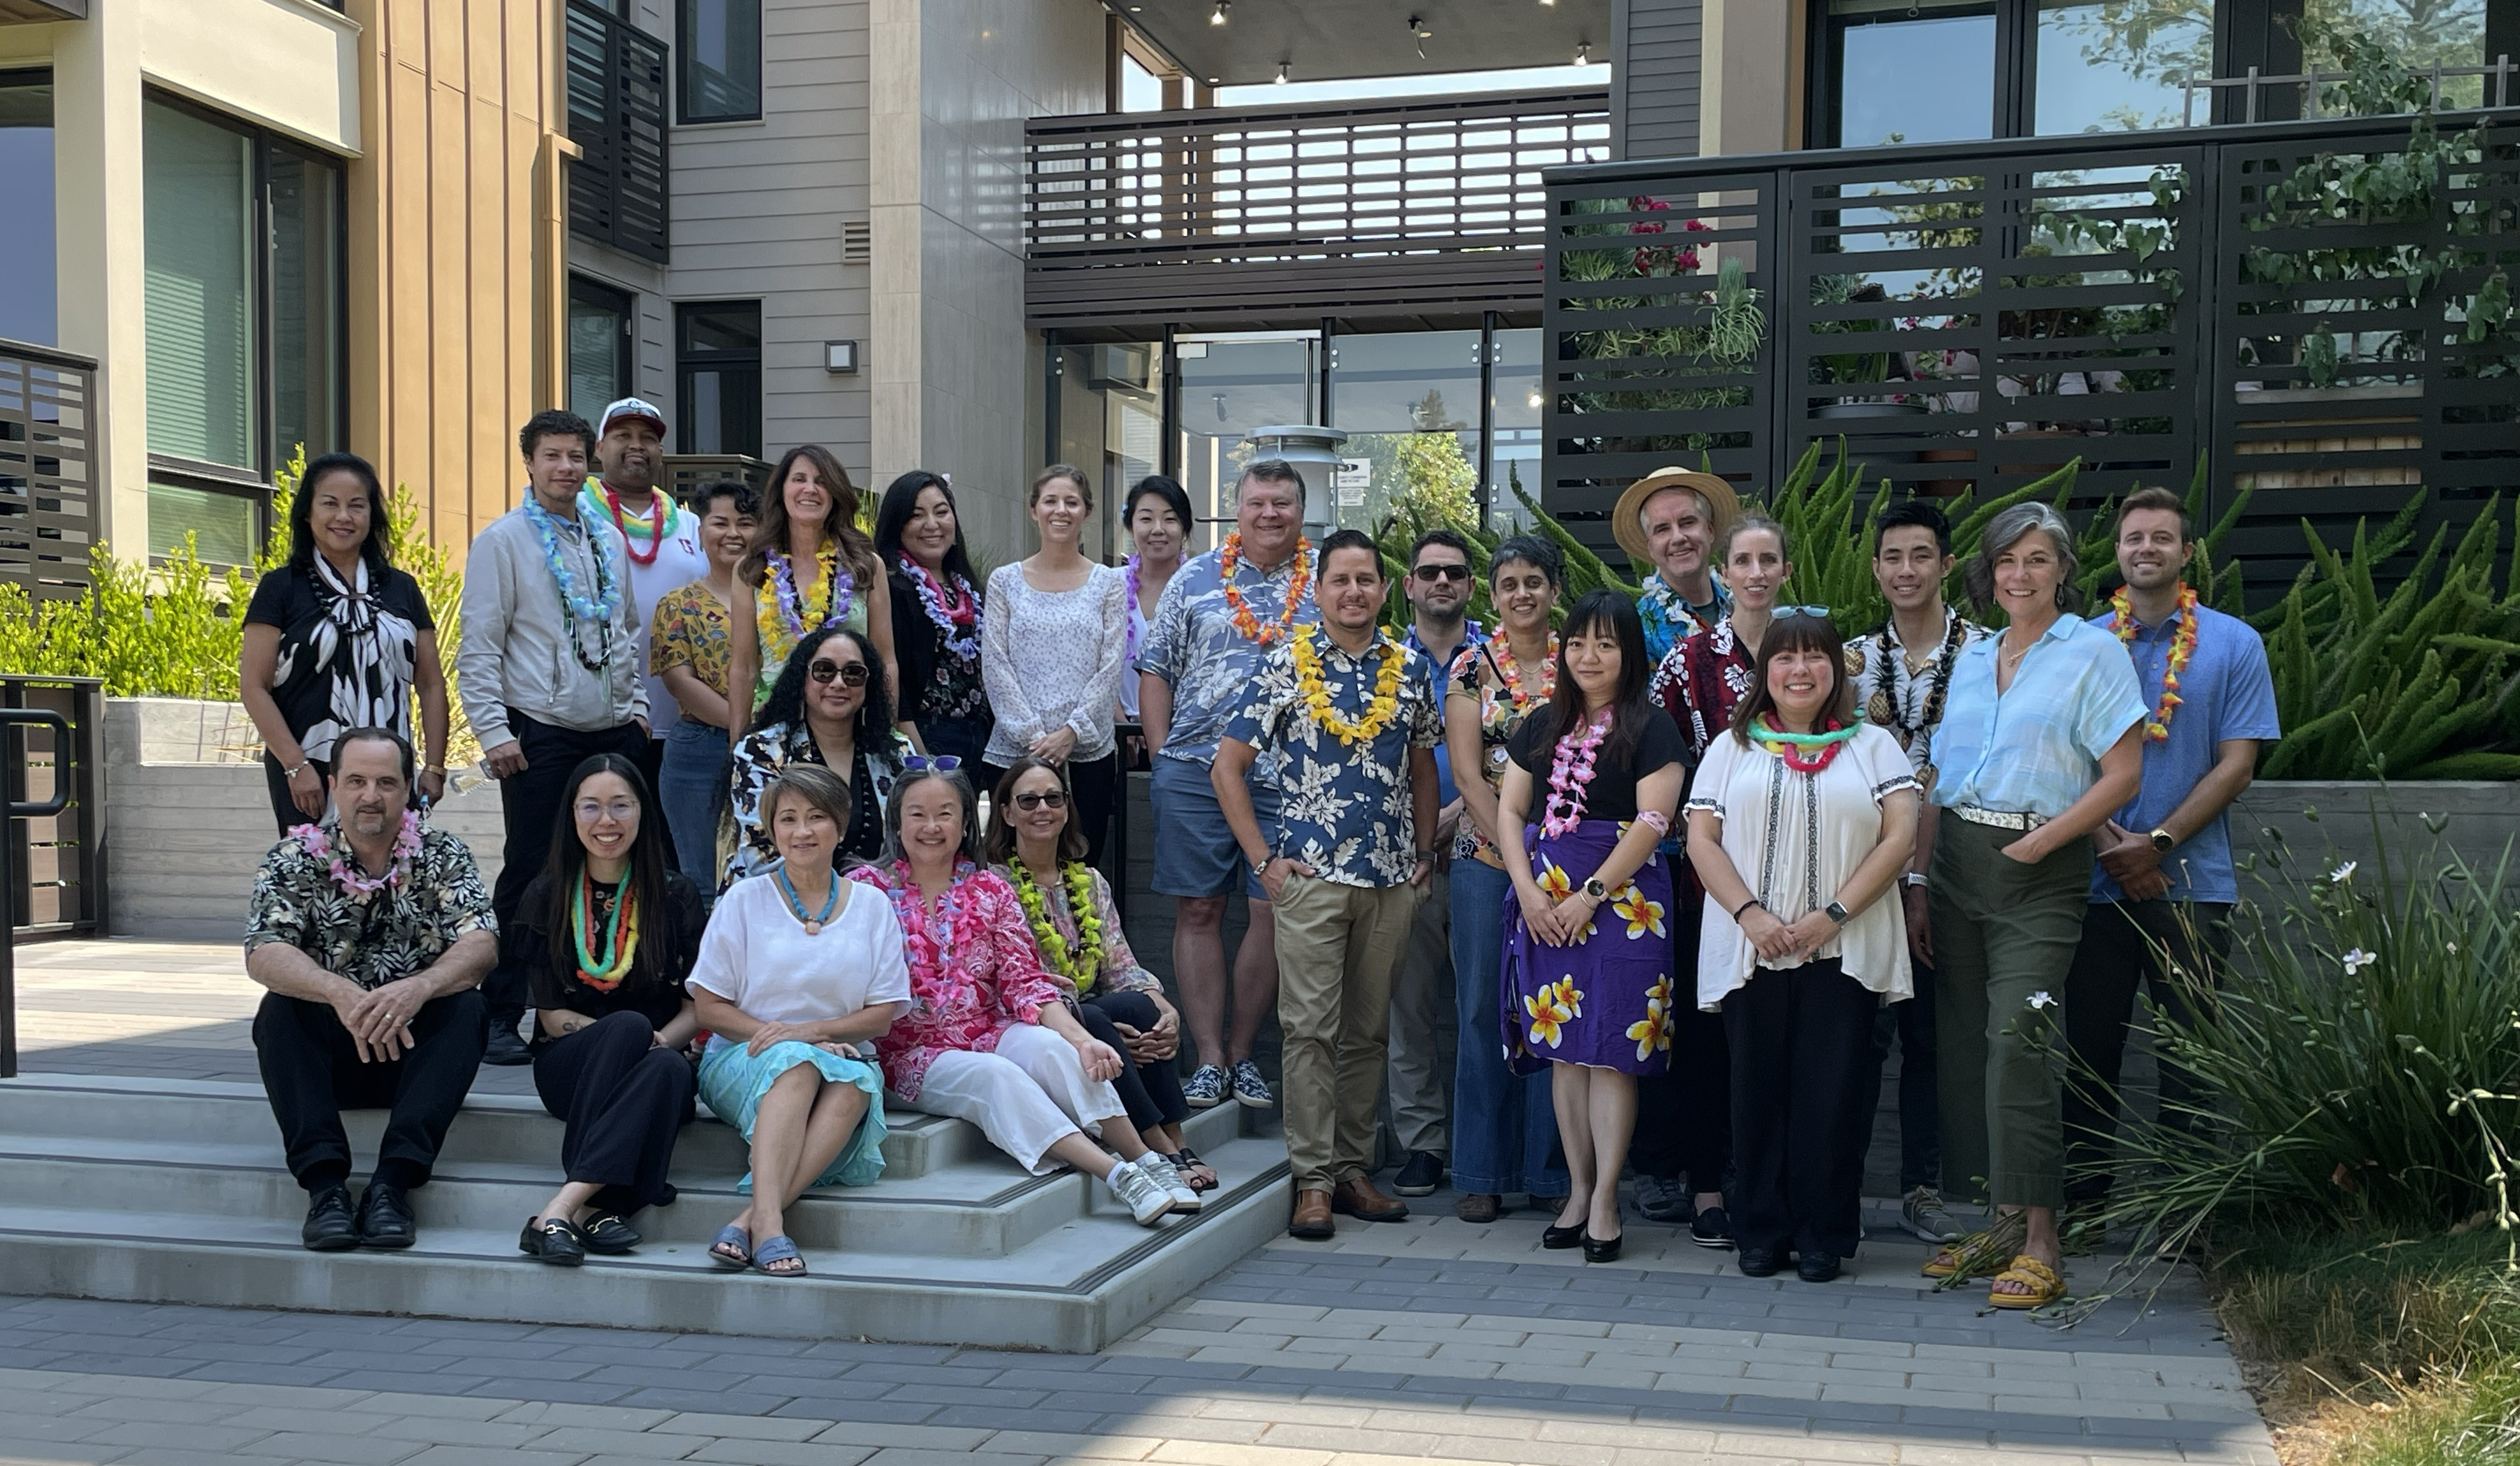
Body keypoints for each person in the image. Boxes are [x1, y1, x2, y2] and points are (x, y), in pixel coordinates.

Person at [1922, 501, 2146, 1310]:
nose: (2021, 573)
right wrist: (1919, 880)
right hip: (1955, 861)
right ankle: (2000, 1223)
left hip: (2039, 869)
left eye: (2039, 559)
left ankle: (2045, 1241)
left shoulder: (2092, 653)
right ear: (1988, 571)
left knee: (2020, 1042)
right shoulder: (1975, 655)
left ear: (2063, 570)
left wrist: (2046, 842)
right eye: (2009, 559)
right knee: (1965, 1050)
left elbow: (2123, 776)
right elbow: (1935, 780)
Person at [1214, 529, 1442, 1239]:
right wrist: (1264, 862)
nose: (1353, 592)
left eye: (1365, 580)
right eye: (1340, 580)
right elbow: (1228, 768)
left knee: (1368, 1033)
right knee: (1308, 1032)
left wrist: (1424, 856)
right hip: (1309, 879)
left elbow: (1425, 764)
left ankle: (1351, 1171)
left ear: (1383, 588)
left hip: (1389, 878)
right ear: (1319, 591)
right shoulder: (1284, 662)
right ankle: (1310, 1180)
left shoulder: (1407, 668)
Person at [1687, 612, 1921, 1284]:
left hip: (1842, 948)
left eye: (1814, 658)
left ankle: (1824, 1234)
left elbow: (1899, 838)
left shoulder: (1873, 746)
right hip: (1752, 946)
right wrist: (1751, 915)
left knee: (1834, 1093)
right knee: (1754, 1090)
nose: (1799, 670)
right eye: (1784, 658)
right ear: (1766, 673)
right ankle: (1759, 1228)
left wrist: (1834, 916)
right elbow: (1702, 839)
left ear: (1836, 670)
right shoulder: (1733, 747)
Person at [850, 764, 1190, 1224]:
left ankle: (1150, 1161)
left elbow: (1024, 979)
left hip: (986, 1028)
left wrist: (1082, 1040)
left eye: (945, 814)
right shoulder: (868, 891)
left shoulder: (989, 887)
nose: (932, 827)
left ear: (966, 821)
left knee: (1055, 1048)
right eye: (918, 815)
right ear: (897, 822)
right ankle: (1118, 1176)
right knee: (995, 1075)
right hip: (908, 1051)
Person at [2064, 487, 2278, 1209]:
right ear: (2117, 552)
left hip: (2195, 889)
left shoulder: (2233, 644)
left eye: (2162, 538)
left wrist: (2155, 845)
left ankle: (2184, 1222)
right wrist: (2109, 845)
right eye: (2133, 539)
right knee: (2089, 1054)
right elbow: (2062, 761)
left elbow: (2238, 763)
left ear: (2187, 554)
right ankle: (2085, 1213)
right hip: (2094, 884)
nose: (2146, 549)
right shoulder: (2085, 645)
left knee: (2192, 1060)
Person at [242, 727, 496, 1252]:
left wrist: (418, 989)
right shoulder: (293, 858)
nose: (371, 796)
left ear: (408, 790)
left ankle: (392, 1188)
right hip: (334, 1054)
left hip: (413, 1055)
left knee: (468, 1008)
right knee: (279, 1012)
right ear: (333, 786)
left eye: (386, 782)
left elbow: (482, 942)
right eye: (356, 781)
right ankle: (326, 1190)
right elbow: (264, 951)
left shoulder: (442, 853)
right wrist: (339, 993)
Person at [1496, 591, 1686, 1264]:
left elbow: (1654, 822)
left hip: (1625, 904)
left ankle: (1607, 1197)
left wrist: (1592, 896)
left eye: (1606, 644)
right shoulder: (1542, 723)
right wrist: (1526, 890)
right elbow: (1511, 809)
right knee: (1565, 1049)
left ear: (1628, 652)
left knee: (1611, 1052)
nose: (1590, 656)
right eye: (1578, 643)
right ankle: (1576, 1192)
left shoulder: (1653, 726)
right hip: (1544, 900)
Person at [460, 410, 651, 1065]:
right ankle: (498, 1013)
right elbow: (479, 646)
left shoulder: (605, 539)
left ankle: (595, 1007)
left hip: (613, 730)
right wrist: (492, 731)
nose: (566, 468)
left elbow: (624, 632)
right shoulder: (503, 541)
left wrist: (638, 709)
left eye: (576, 456)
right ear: (530, 464)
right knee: (530, 874)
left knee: (631, 866)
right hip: (536, 732)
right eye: (553, 457)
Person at [1136, 459, 1316, 1112]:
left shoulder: (1325, 579)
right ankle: (1209, 1059)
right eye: (1258, 502)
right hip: (1193, 770)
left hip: (1289, 775)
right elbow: (1154, 669)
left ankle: (1243, 1056)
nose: (1270, 514)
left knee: (1274, 909)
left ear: (1301, 509)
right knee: (1199, 909)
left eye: (1283, 503)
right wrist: (1162, 760)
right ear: (1237, 510)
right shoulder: (1195, 577)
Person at [1636, 513, 1795, 1245]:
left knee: (1778, 1039)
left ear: (1786, 572)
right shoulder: (1687, 663)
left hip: (1799, 877)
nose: (1756, 573)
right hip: (1707, 877)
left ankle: (1766, 1181)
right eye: (1744, 562)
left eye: (1769, 560)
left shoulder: (1811, 659)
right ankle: (1706, 1186)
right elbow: (1662, 780)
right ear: (1723, 574)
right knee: (1705, 1037)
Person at [688, 765, 909, 1277]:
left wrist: (811, 1035)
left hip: (841, 1056)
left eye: (816, 817)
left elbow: (881, 1016)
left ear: (840, 824)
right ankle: (769, 1226)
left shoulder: (872, 905)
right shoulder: (744, 899)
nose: (802, 831)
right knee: (798, 1065)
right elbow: (710, 1009)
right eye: (787, 819)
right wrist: (794, 1043)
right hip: (746, 1056)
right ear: (771, 828)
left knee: (854, 1084)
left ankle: (753, 1218)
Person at [1851, 499, 1989, 1245]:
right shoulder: (1847, 661)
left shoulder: (1990, 654)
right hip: (1865, 876)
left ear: (1945, 564)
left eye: (1921, 556)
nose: (1907, 570)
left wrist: (1924, 882)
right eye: (1893, 558)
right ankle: (1843, 1182)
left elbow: (1974, 767)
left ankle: (1924, 1187)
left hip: (1957, 868)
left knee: (1933, 1035)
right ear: (1876, 570)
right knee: (1862, 1036)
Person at [508, 754, 707, 1266]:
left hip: (662, 1059)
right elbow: (552, 1019)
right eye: (591, 807)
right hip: (571, 1069)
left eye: (621, 806)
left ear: (643, 812)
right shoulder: (546, 895)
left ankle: (565, 1210)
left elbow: (695, 1009)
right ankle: (604, 1205)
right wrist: (636, 1036)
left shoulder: (676, 895)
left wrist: (659, 1043)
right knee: (629, 1027)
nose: (606, 822)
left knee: (664, 1066)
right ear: (572, 816)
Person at [989, 756, 1216, 1195]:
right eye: (1028, 800)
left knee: (1138, 1003)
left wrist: (1164, 1007)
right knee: (1093, 1020)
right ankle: (1155, 1146)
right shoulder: (993, 884)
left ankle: (1178, 1141)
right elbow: (1009, 980)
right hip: (1034, 1017)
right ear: (1007, 813)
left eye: (1053, 798)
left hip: (1095, 1008)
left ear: (1067, 807)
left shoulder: (1090, 881)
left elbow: (1119, 964)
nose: (1042, 809)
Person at [1444, 534, 1571, 1224]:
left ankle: (1552, 1174)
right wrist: (1520, 858)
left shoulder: (1580, 663)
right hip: (1487, 862)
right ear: (1492, 596)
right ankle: (1482, 1171)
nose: (1522, 594)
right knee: (1481, 1011)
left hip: (1569, 869)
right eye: (1509, 583)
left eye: (1534, 581)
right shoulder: (1471, 668)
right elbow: (1467, 774)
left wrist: (1552, 863)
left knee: (1555, 1011)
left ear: (1555, 589)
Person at [241, 452, 450, 835]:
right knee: (313, 878)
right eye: (330, 504)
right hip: (309, 772)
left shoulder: (402, 587)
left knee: (391, 877)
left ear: (372, 516)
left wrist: (434, 767)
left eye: (357, 506)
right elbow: (254, 688)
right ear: (307, 513)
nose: (344, 517)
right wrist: (295, 765)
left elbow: (432, 682)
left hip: (388, 772)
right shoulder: (280, 588)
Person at [1384, 528, 1482, 1200]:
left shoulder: (1499, 659)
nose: (1442, 582)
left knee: (1484, 1010)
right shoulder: (1385, 663)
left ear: (1471, 585)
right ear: (1410, 586)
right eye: (1430, 573)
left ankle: (1485, 1152)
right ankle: (1422, 1146)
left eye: (1454, 572)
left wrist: (1455, 818)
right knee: (1409, 1010)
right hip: (1407, 864)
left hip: (1489, 854)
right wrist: (1423, 831)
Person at [982, 466, 1129, 865]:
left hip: (1086, 752)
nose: (1060, 510)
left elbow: (1111, 665)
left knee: (1081, 868)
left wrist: (1071, 732)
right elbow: (995, 663)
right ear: (1034, 510)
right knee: (1010, 869)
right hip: (1016, 750)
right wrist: (1034, 739)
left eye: (1071, 502)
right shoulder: (1004, 581)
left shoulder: (1109, 583)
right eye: (1050, 501)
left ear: (1087, 511)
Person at [580, 398, 709, 828]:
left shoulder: (690, 525)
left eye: (648, 439)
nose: (637, 446)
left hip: (686, 722)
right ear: (599, 448)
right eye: (623, 436)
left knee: (671, 849)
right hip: (603, 720)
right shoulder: (573, 517)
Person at [726, 444, 898, 728]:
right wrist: (737, 745)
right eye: (799, 479)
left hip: (849, 725)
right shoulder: (752, 568)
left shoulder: (866, 566)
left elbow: (885, 661)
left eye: (822, 482)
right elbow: (743, 668)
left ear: (836, 495)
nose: (810, 489)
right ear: (782, 491)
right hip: (775, 725)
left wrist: (885, 732)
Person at [727, 626, 908, 882]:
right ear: (803, 679)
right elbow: (761, 855)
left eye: (853, 673)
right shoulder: (760, 752)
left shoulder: (897, 754)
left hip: (880, 907)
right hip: (777, 905)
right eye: (824, 671)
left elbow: (909, 847)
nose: (838, 683)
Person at [649, 480, 759, 893]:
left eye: (745, 523)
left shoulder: (780, 599)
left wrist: (760, 739)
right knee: (702, 882)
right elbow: (680, 682)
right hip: (698, 750)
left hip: (774, 747)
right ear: (700, 531)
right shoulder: (678, 604)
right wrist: (744, 729)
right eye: (720, 522)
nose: (733, 533)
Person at [878, 470, 994, 767]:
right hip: (924, 732)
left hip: (977, 733)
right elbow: (890, 672)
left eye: (942, 512)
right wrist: (917, 751)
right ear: (898, 526)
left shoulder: (969, 588)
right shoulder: (892, 587)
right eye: (917, 515)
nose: (933, 525)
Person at [1612, 466, 1741, 664]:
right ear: (1651, 547)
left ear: (1710, 530)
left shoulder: (1745, 605)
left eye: (1687, 522)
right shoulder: (1636, 629)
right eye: (1662, 529)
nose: (1678, 537)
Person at [1117, 475, 1194, 740]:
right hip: (1119, 733)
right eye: (1146, 519)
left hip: (1185, 735)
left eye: (1170, 519)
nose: (1158, 529)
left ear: (1185, 528)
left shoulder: (1203, 589)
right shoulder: (1109, 586)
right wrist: (1120, 722)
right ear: (1131, 525)